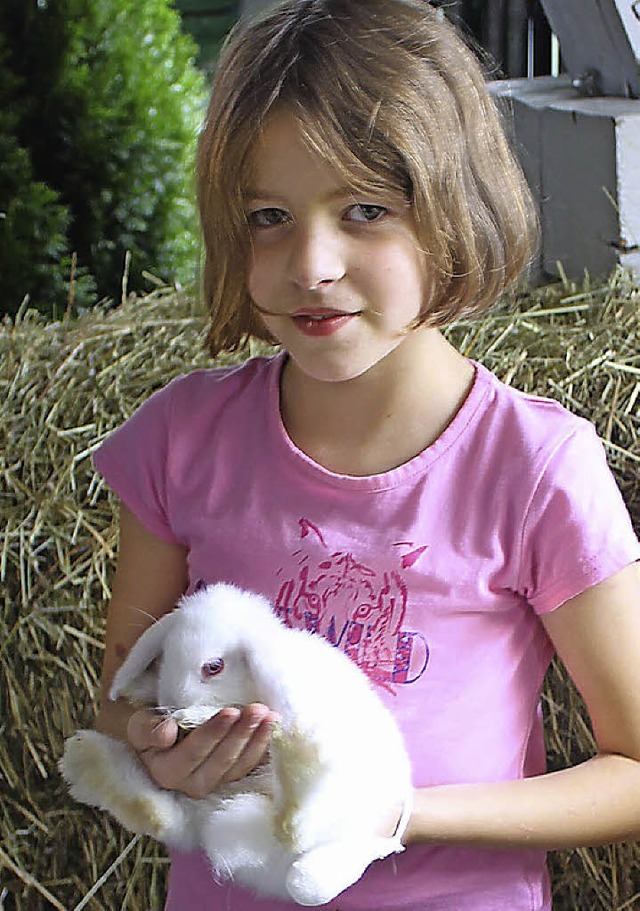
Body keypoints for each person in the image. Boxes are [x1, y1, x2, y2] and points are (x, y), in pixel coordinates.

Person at [92, 1, 640, 909]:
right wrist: (157, 749)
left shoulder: (537, 469)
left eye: (365, 210)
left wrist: (400, 813)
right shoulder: (179, 441)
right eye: (268, 214)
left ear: (455, 210)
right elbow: (121, 697)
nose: (310, 262)